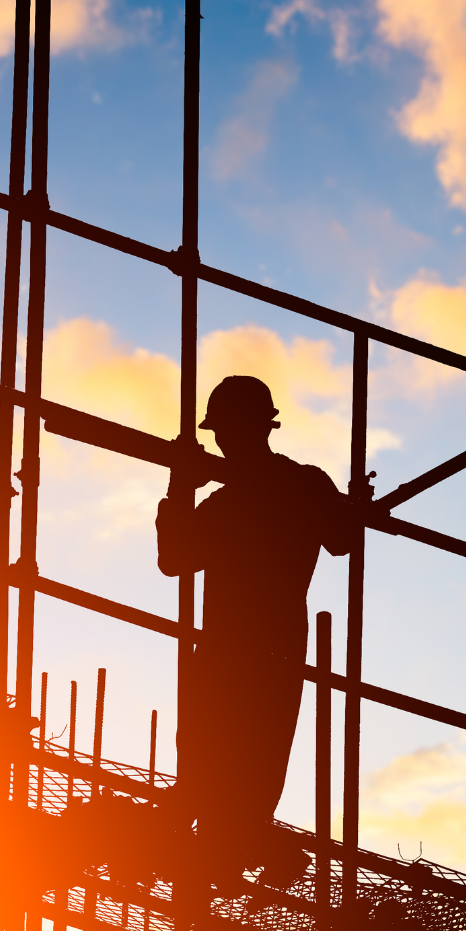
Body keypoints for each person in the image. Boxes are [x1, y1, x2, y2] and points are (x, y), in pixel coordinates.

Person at [156, 375, 356, 888]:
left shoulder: (233, 502)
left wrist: (180, 485)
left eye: (225, 431)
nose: (224, 442)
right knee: (246, 756)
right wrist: (349, 503)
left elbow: (173, 557)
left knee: (227, 754)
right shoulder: (299, 485)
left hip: (235, 646)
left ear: (246, 430)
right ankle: (228, 846)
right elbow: (342, 539)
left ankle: (222, 850)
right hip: (270, 644)